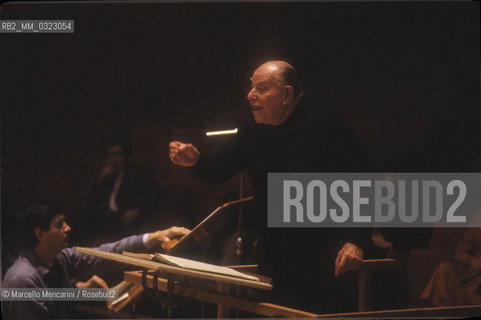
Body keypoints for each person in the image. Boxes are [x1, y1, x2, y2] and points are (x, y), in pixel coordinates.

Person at [169, 60, 372, 313]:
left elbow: (366, 180)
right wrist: (196, 161)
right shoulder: (252, 131)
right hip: (276, 252)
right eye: (251, 87)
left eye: (261, 88)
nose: (250, 95)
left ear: (286, 94)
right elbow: (217, 172)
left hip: (328, 252)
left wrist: (356, 239)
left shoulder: (327, 124)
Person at [2, 202, 189, 319]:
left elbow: (107, 253)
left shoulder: (58, 258)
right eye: (60, 224)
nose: (68, 228)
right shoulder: (22, 281)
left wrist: (156, 236)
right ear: (40, 234)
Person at [73, 137, 161, 245]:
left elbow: (153, 197)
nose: (113, 159)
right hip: (107, 216)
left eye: (117, 154)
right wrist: (101, 179)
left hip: (126, 217)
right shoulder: (108, 174)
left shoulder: (139, 172)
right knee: (78, 214)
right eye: (110, 155)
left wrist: (137, 209)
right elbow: (90, 200)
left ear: (126, 156)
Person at [421, 227, 481, 306]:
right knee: (445, 268)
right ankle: (443, 309)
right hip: (471, 273)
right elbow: (462, 250)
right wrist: (470, 260)